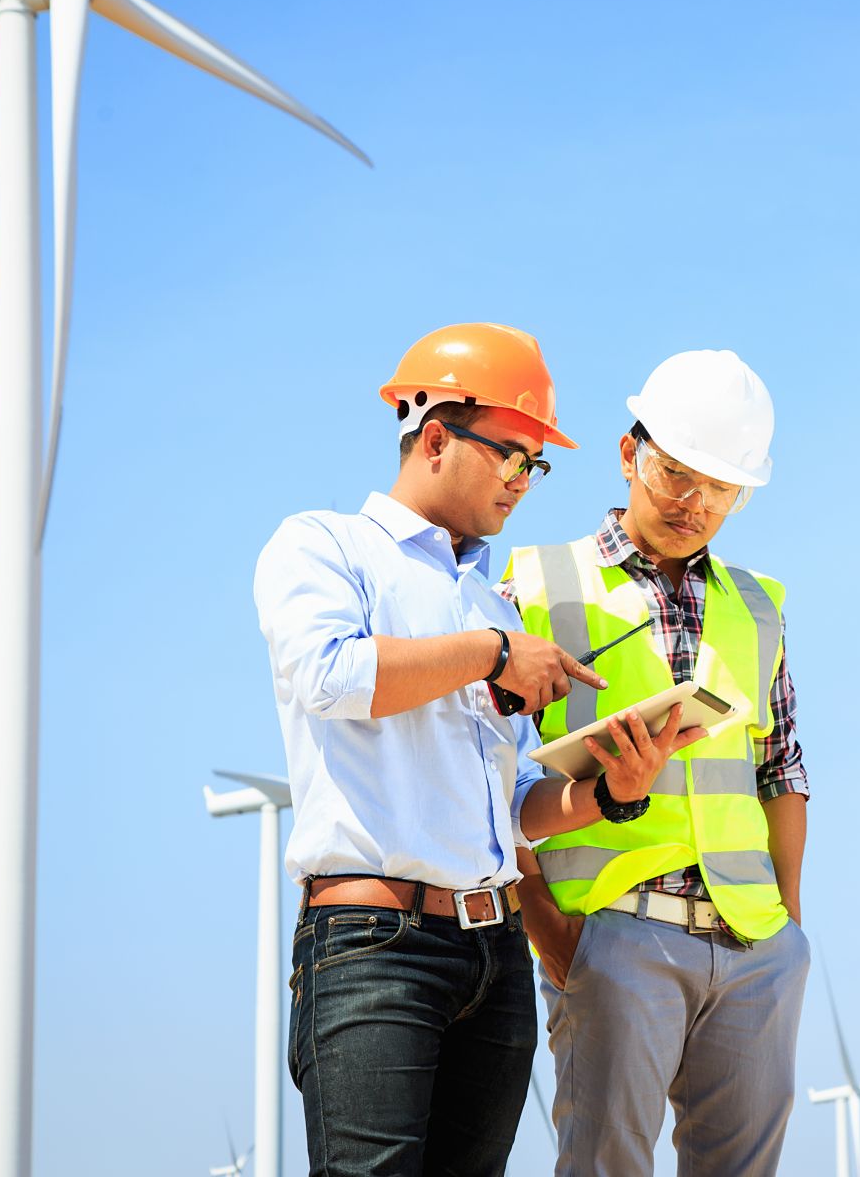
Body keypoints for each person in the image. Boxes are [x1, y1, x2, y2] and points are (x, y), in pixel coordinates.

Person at [253, 323, 705, 1177]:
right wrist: (494, 656)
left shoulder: (493, 602)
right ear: (434, 437)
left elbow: (514, 809)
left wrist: (610, 792)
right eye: (511, 456)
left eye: (536, 466)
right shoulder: (324, 546)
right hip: (372, 946)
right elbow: (330, 673)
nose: (523, 482)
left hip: (492, 960)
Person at [503, 349, 811, 1177]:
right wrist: (550, 930)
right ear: (629, 452)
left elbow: (782, 770)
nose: (695, 503)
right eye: (677, 473)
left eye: (720, 487)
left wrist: (787, 924)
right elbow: (485, 779)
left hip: (753, 946)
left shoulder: (758, 608)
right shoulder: (537, 583)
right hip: (611, 935)